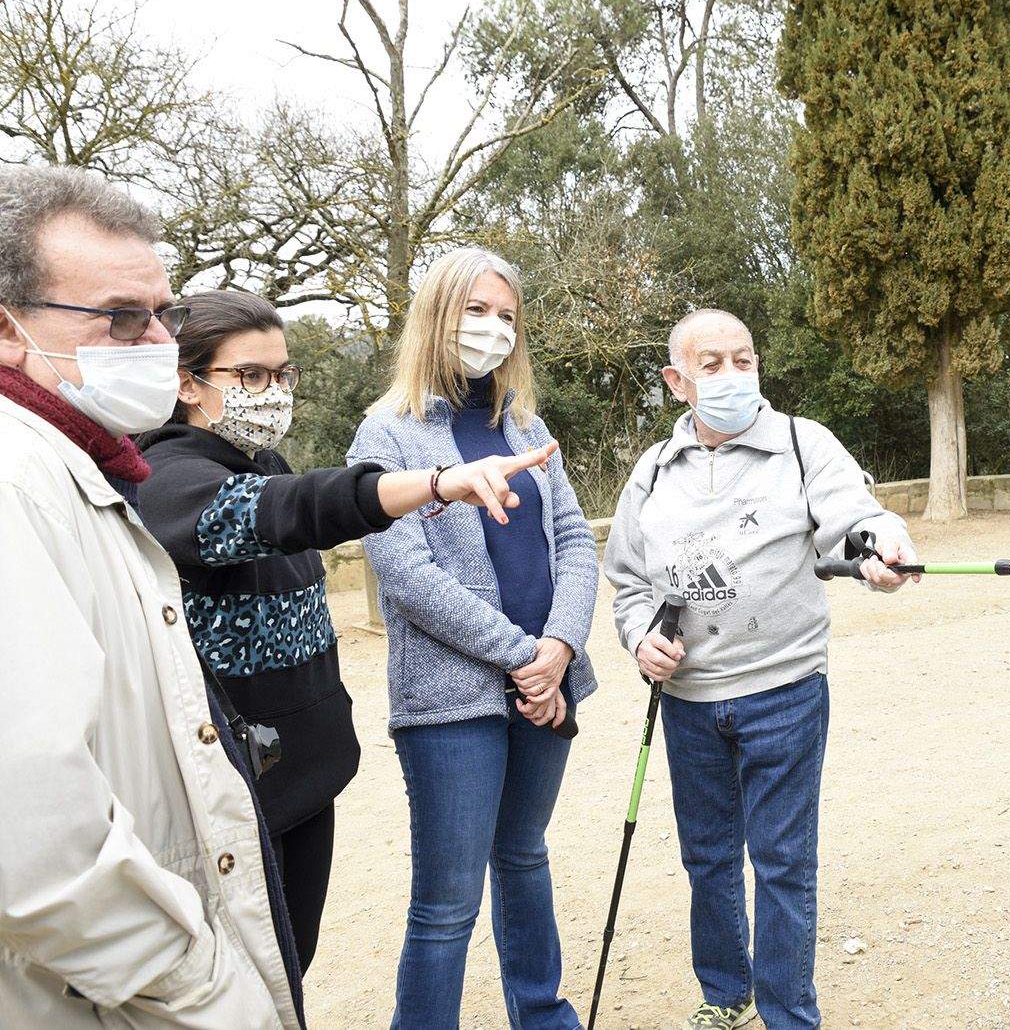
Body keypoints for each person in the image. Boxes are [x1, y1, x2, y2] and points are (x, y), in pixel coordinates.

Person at [136, 290, 555, 976]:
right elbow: (295, 510)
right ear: (188, 384)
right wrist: (438, 483)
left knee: (289, 968)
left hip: (303, 780)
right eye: (249, 376)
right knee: (240, 982)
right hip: (232, 800)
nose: (271, 392)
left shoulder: (264, 463)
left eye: (282, 374)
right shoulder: (169, 480)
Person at [0, 166, 299, 1026]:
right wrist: (197, 987)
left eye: (162, 316)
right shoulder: (18, 484)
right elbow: (41, 846)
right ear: (8, 327)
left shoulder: (82, 467)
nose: (159, 342)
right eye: (123, 319)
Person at [605, 308, 919, 1030]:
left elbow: (859, 516)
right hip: (687, 701)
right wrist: (638, 640)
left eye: (743, 360)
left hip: (785, 690)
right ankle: (725, 994)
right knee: (707, 859)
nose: (732, 376)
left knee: (781, 864)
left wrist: (883, 546)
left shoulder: (803, 445)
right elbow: (627, 582)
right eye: (711, 365)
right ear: (676, 382)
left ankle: (788, 1014)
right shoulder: (652, 471)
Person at [347, 247, 598, 1029]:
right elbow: (410, 579)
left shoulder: (524, 423)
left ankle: (543, 1014)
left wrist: (557, 649)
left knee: (524, 857)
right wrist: (524, 657)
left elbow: (576, 541)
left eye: (506, 317)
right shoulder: (385, 434)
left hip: (547, 686)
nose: (491, 329)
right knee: (446, 905)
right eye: (475, 311)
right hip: (453, 702)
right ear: (435, 316)